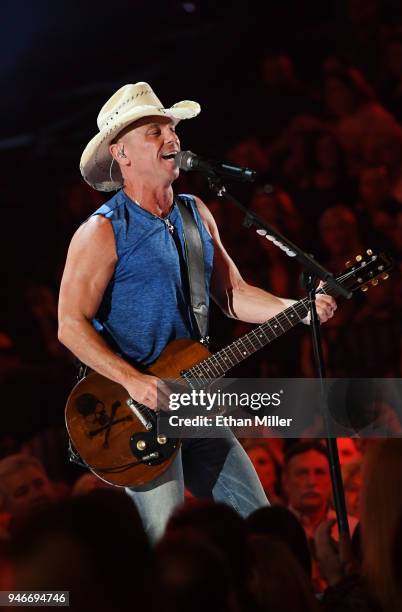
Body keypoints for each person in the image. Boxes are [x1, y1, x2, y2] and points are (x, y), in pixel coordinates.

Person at [58, 81, 336, 541]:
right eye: (155, 131)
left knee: (259, 524)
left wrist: (297, 308)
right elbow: (69, 324)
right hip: (135, 411)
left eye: (172, 129)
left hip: (194, 396)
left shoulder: (195, 212)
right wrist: (133, 380)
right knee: (164, 537)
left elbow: (232, 294)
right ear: (121, 153)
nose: (172, 139)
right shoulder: (102, 231)